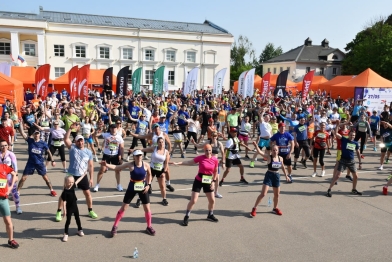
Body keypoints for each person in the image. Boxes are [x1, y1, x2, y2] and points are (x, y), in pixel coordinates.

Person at [104, 150, 156, 236]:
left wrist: (149, 185)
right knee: (124, 207)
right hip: (132, 187)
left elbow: (149, 175)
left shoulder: (146, 165)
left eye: (140, 155)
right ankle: (115, 226)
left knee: (147, 208)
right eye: (137, 155)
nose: (139, 157)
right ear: (134, 157)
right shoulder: (130, 165)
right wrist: (106, 165)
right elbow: (117, 167)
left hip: (143, 187)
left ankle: (149, 226)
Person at [56, 124, 98, 221]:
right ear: (75, 142)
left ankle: (90, 210)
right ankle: (58, 211)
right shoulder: (72, 148)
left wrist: (91, 178)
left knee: (87, 193)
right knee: (64, 194)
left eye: (81, 140)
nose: (80, 142)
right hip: (71, 175)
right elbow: (65, 138)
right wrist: (70, 128)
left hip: (82, 176)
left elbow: (91, 166)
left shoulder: (88, 152)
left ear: (84, 141)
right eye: (78, 140)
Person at [172, 144, 219, 226]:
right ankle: (187, 216)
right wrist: (178, 163)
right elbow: (189, 162)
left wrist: (213, 182)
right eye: (206, 150)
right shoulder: (200, 158)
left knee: (212, 200)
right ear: (204, 151)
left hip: (208, 180)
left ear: (212, 151)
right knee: (193, 200)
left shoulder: (215, 160)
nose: (208, 152)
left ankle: (210, 214)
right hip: (199, 180)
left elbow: (215, 171)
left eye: (209, 150)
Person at [129, 123, 174, 192]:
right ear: (153, 129)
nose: (156, 129)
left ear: (159, 128)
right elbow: (141, 136)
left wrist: (169, 153)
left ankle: (168, 184)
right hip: (155, 152)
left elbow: (169, 143)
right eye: (155, 128)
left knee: (167, 169)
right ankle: (149, 185)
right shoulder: (152, 135)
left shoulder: (164, 134)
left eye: (157, 128)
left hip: (163, 153)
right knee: (152, 170)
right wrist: (132, 134)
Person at [250, 143, 290, 217]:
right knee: (263, 194)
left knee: (277, 195)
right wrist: (256, 146)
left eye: (276, 150)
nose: (275, 151)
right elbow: (259, 152)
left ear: (278, 151)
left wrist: (286, 176)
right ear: (271, 151)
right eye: (273, 150)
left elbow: (283, 167)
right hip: (269, 175)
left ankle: (275, 208)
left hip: (277, 176)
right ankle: (254, 208)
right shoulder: (269, 157)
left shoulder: (280, 158)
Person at [327, 120, 362, 197]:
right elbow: (336, 134)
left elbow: (358, 153)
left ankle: (354, 189)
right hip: (343, 160)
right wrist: (337, 125)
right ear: (348, 135)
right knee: (337, 176)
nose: (352, 136)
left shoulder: (355, 143)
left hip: (351, 161)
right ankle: (329, 189)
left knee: (356, 176)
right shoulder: (344, 139)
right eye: (351, 135)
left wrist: (360, 162)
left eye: (353, 135)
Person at [131, 137, 170, 207]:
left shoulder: (166, 152)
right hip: (151, 169)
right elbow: (143, 149)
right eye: (159, 142)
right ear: (157, 143)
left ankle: (164, 199)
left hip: (160, 170)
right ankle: (139, 199)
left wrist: (164, 172)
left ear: (164, 143)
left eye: (162, 142)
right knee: (145, 184)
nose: (161, 144)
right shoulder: (154, 148)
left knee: (162, 186)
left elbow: (166, 163)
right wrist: (134, 150)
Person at [17, 127, 57, 196]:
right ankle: (17, 191)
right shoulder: (30, 141)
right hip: (30, 163)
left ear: (39, 135)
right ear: (33, 135)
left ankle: (52, 190)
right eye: (35, 134)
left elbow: (49, 152)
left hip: (40, 163)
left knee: (45, 177)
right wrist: (20, 126)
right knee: (23, 178)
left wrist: (52, 160)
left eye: (38, 134)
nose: (36, 135)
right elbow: (23, 134)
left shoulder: (43, 143)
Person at [93, 124, 124, 192]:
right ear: (110, 129)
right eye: (112, 128)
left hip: (115, 156)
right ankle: (97, 184)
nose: (113, 129)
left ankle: (118, 185)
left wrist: (121, 158)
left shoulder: (119, 137)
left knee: (117, 171)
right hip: (106, 155)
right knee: (102, 170)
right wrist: (96, 130)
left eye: (115, 128)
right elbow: (96, 135)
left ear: (116, 129)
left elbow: (122, 148)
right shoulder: (106, 135)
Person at [0, 162, 19, 248]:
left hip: (3, 199)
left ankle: (11, 240)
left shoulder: (4, 167)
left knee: (8, 221)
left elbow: (15, 175)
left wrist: (11, 187)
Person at [0, 140, 21, 214]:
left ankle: (18, 207)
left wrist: (16, 175)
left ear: (8, 146)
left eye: (5, 145)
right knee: (1, 192)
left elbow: (15, 165)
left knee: (14, 192)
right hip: (1, 176)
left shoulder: (11, 154)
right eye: (2, 146)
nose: (4, 147)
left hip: (10, 175)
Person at [61, 176, 84, 242]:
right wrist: (64, 210)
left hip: (75, 206)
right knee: (68, 221)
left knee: (77, 218)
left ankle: (80, 230)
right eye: (69, 182)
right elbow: (64, 202)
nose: (71, 183)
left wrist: (83, 175)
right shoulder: (65, 192)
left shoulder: (73, 186)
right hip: (69, 208)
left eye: (72, 182)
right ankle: (66, 234)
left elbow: (78, 180)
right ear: (66, 182)